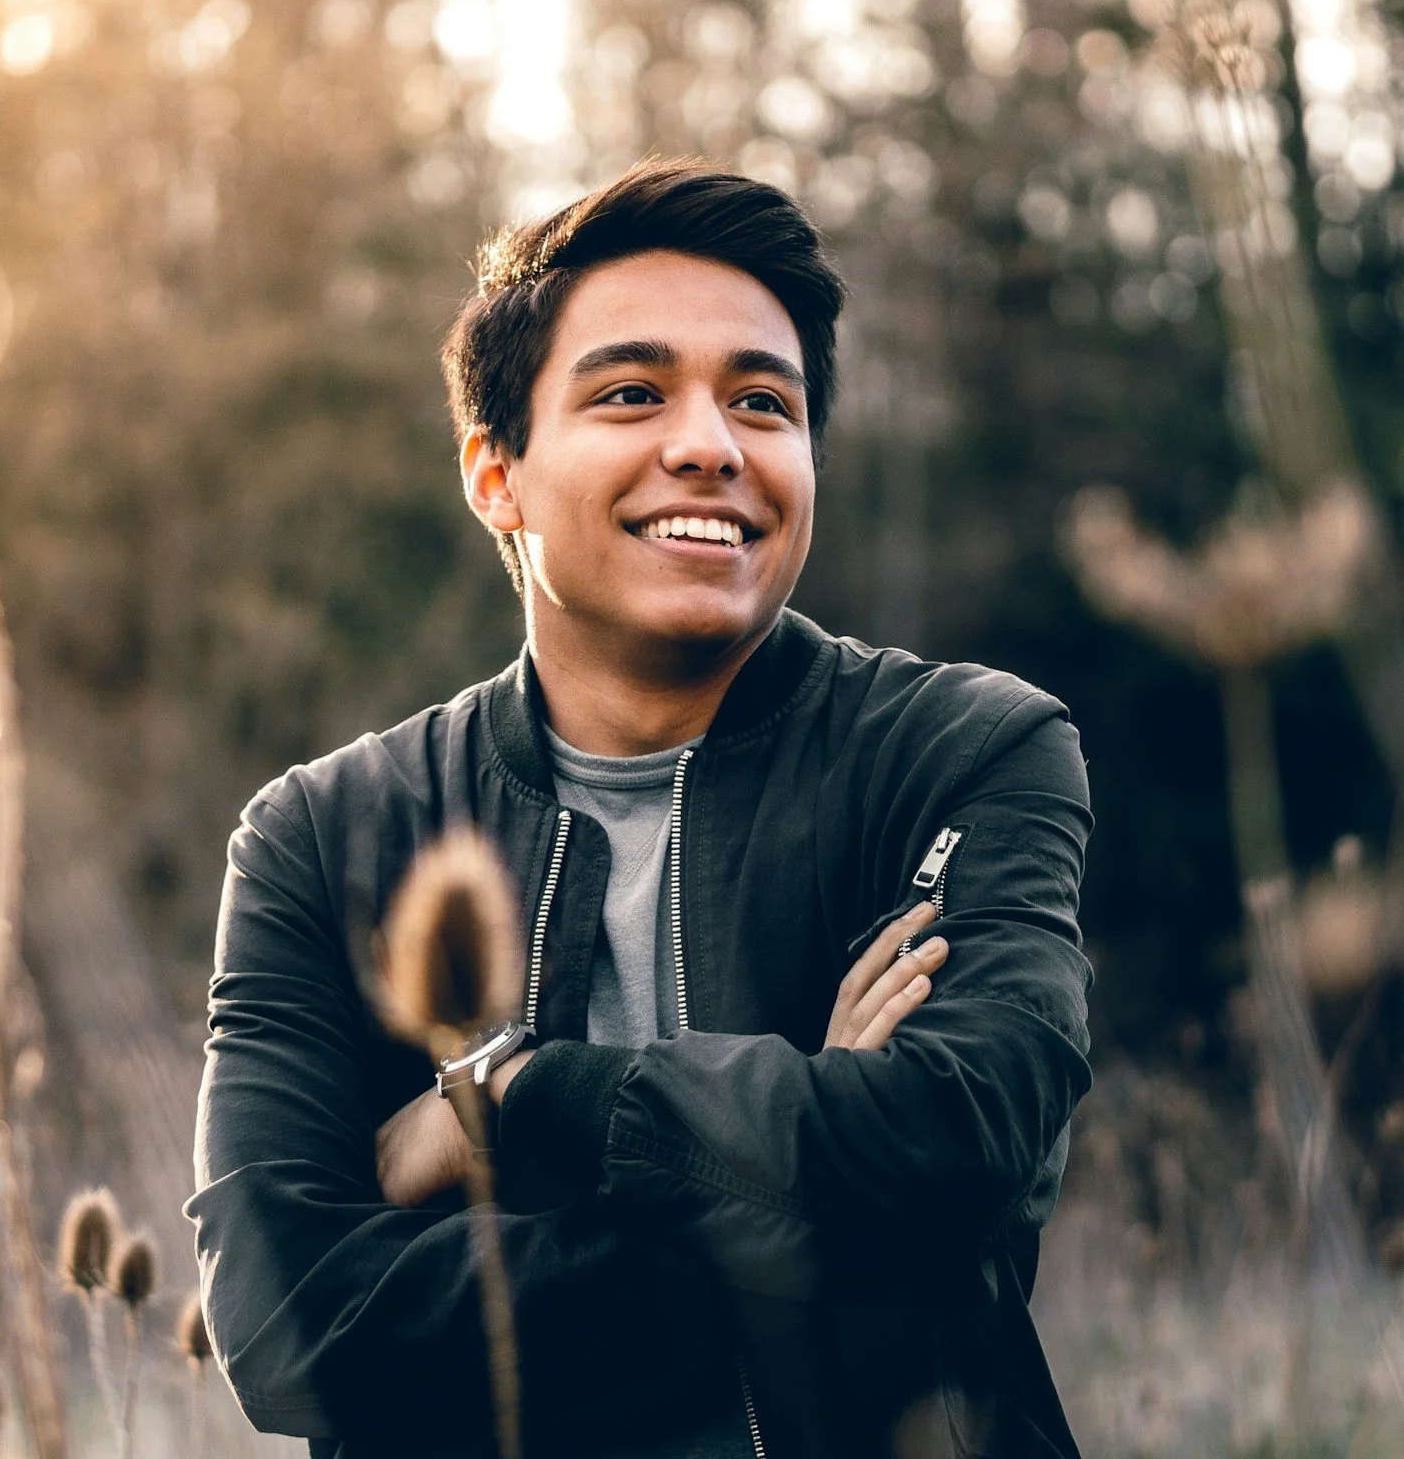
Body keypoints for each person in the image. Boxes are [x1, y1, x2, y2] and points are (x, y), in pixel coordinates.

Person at [189, 160, 1095, 1458]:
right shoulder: (328, 835)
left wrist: (519, 1098)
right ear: (495, 475)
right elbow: (290, 1336)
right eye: (631, 393)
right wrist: (814, 1188)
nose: (711, 445)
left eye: (762, 404)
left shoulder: (961, 751)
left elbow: (964, 1144)